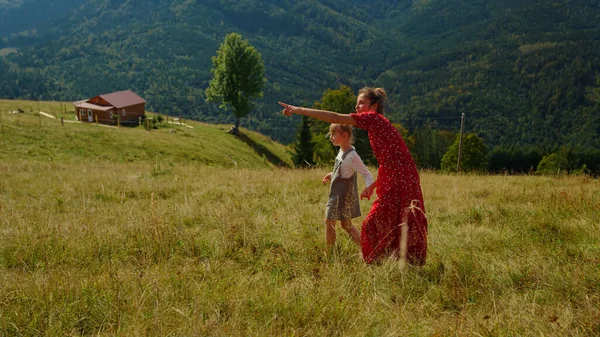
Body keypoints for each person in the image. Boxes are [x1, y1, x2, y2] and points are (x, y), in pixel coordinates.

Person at [279, 87, 428, 265]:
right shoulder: (376, 123)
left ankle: (377, 262)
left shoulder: (373, 118)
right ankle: (397, 261)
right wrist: (372, 186)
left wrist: (298, 110)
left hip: (400, 176)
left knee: (376, 221)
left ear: (374, 106)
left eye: (361, 103)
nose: (357, 106)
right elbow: (390, 161)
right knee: (398, 217)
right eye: (356, 102)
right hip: (398, 174)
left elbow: (335, 118)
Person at [322, 123, 374, 250]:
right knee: (344, 224)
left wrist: (368, 188)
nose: (331, 137)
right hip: (336, 194)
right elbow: (343, 171)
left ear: (345, 135)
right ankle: (366, 249)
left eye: (334, 134)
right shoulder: (341, 151)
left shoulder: (352, 156)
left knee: (331, 222)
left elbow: (366, 173)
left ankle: (331, 253)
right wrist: (331, 174)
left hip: (343, 195)